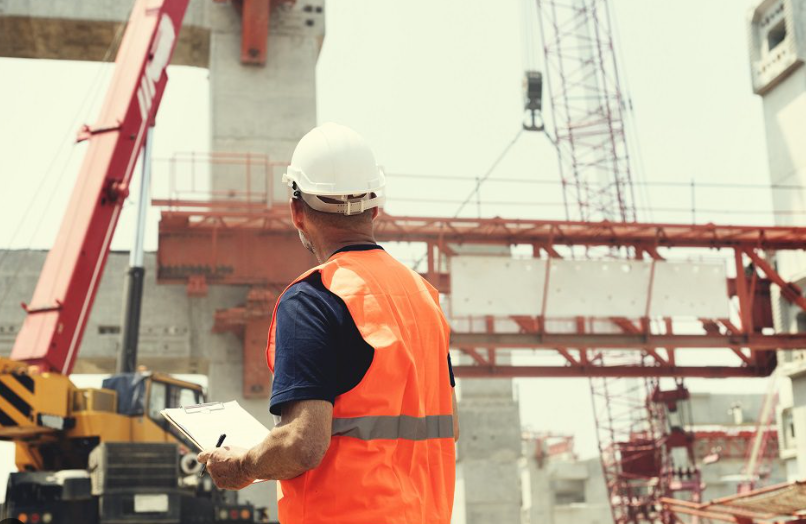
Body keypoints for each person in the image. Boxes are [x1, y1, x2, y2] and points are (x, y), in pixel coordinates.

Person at [198, 123, 458, 524]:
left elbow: (303, 444)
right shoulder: (425, 299)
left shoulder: (314, 299)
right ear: (375, 207)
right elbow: (447, 425)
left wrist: (244, 466)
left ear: (297, 212)